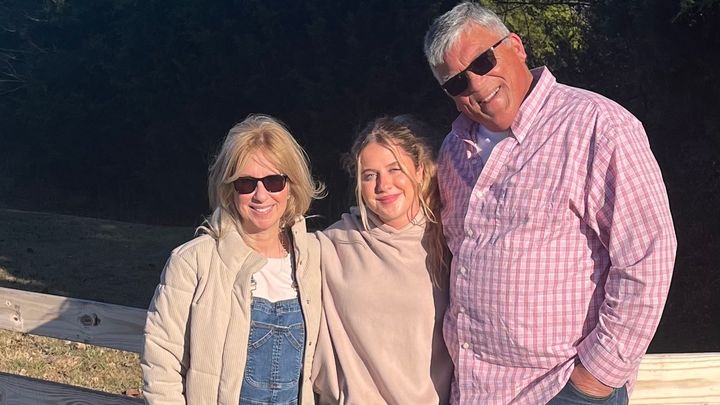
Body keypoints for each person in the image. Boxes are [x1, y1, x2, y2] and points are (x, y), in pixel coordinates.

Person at [423, 3, 677, 404]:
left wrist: (595, 379)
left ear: (516, 47)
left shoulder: (597, 125)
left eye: (483, 61)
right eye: (457, 82)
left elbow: (648, 256)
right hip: (474, 391)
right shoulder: (455, 150)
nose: (476, 84)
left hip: (559, 390)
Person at [141, 114, 325, 404]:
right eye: (246, 183)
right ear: (229, 188)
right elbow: (161, 363)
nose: (261, 195)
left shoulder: (314, 258)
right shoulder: (193, 262)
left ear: (291, 186)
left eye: (274, 181)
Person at [312, 116, 453, 404]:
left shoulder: (451, 241)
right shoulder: (333, 245)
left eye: (394, 169)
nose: (383, 185)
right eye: (369, 175)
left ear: (419, 170)